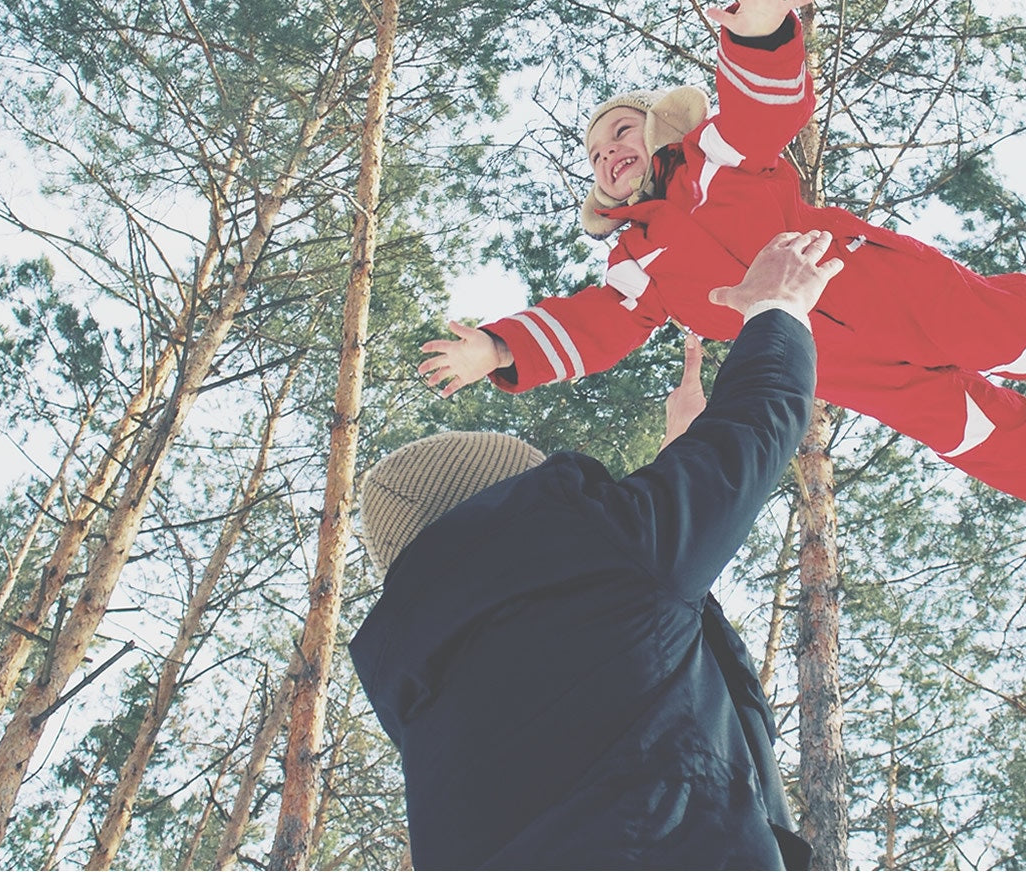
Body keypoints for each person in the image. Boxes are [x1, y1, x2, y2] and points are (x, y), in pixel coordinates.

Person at [418, 0, 1026, 581]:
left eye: (624, 133)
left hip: (879, 285)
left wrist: (761, 36)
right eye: (596, 150)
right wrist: (498, 350)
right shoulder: (635, 267)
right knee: (971, 432)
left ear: (659, 134)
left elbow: (765, 112)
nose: (610, 153)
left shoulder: (717, 158)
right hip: (829, 361)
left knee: (1022, 332)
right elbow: (591, 325)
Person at [353, 231, 843, 868]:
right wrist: (778, 306)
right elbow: (750, 435)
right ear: (517, 494)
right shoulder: (605, 559)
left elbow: (634, 663)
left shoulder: (425, 705)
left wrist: (669, 492)